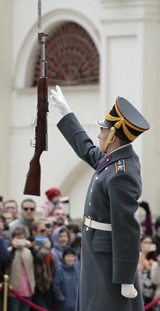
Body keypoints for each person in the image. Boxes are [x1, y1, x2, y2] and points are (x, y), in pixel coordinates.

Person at [51, 86, 149, 310]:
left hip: (107, 256)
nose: (99, 134)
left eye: (103, 130)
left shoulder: (121, 172)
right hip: (96, 247)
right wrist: (66, 113)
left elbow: (126, 227)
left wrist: (125, 277)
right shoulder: (113, 160)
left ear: (113, 136)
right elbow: (85, 148)